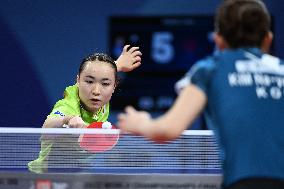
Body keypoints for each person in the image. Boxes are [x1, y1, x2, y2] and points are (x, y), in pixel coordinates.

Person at [117, 1, 284, 188]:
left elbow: (166, 130)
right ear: (268, 39)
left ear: (218, 40)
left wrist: (140, 123)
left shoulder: (209, 69)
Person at [28, 45, 142, 173]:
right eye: (89, 82)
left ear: (114, 86)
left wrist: (118, 64)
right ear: (78, 81)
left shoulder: (101, 94)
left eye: (105, 84)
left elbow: (100, 74)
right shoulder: (69, 105)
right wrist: (67, 119)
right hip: (48, 175)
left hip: (77, 173)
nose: (96, 91)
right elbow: (46, 127)